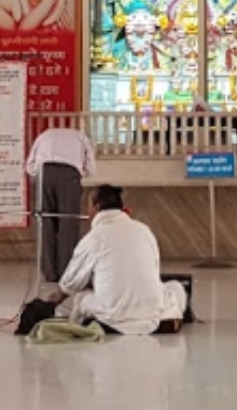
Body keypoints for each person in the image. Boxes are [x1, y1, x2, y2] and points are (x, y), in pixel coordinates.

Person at [50, 185, 187, 335]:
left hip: (114, 314)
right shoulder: (143, 230)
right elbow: (154, 270)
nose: (87, 212)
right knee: (176, 288)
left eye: (88, 206)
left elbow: (71, 283)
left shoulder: (94, 238)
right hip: (150, 311)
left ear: (97, 206)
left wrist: (52, 301)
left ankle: (89, 326)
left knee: (80, 299)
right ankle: (166, 319)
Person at [26, 125, 96, 282]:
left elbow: (30, 165)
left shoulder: (44, 134)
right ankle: (66, 273)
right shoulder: (81, 137)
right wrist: (80, 174)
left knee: (46, 222)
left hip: (44, 172)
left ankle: (50, 274)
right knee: (68, 224)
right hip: (69, 174)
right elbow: (91, 167)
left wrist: (39, 176)